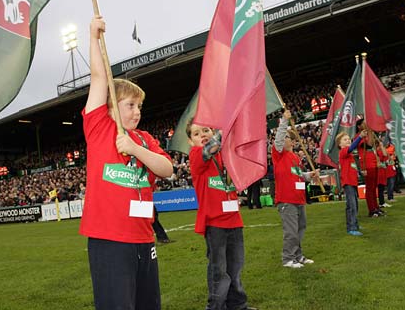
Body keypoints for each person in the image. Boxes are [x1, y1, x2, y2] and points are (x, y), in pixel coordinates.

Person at [80, 16, 173, 310]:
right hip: (109, 241)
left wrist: (135, 148)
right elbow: (98, 77)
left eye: (140, 106)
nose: (137, 112)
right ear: (110, 107)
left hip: (144, 239)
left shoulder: (144, 139)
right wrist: (93, 36)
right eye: (130, 105)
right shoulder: (99, 129)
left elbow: (167, 170)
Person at [186, 119, 256, 310]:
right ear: (191, 142)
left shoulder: (225, 156)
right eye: (197, 133)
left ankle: (237, 304)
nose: (203, 135)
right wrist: (229, 123)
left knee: (235, 267)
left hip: (234, 220)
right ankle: (216, 306)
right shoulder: (195, 156)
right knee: (219, 270)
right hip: (215, 224)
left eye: (206, 130)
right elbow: (210, 148)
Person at [272, 110, 318, 268]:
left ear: (292, 142)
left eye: (286, 137)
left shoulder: (295, 158)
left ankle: (298, 256)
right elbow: (278, 140)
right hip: (286, 199)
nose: (282, 139)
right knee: (291, 231)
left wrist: (309, 175)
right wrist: (284, 122)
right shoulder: (278, 155)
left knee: (300, 229)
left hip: (299, 198)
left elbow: (299, 176)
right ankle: (288, 258)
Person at [336, 130, 367, 236]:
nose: (348, 140)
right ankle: (351, 227)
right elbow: (351, 147)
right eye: (345, 139)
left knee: (355, 205)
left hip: (353, 183)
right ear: (340, 145)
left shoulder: (350, 156)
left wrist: (360, 172)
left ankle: (355, 224)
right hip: (348, 183)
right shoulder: (343, 152)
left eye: (349, 139)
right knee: (351, 205)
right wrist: (360, 138)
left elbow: (352, 168)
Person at [356, 119, 382, 218]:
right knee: (370, 188)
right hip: (367, 165)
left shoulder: (367, 135)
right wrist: (370, 130)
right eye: (363, 123)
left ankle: (376, 207)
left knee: (373, 187)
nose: (366, 124)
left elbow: (373, 147)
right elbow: (369, 144)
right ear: (359, 126)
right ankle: (372, 209)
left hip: (373, 163)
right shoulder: (358, 137)